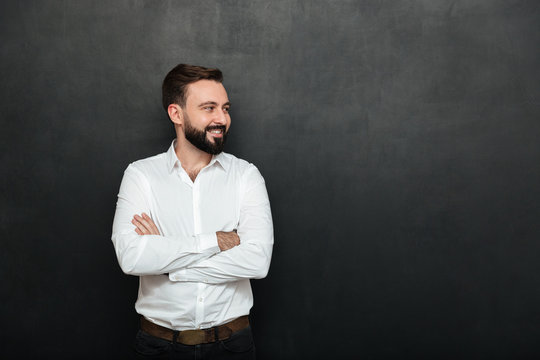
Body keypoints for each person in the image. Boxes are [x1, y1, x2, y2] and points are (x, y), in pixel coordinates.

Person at [111, 63, 273, 359]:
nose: (221, 118)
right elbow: (131, 257)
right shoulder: (141, 175)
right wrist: (215, 241)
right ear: (176, 114)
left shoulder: (246, 176)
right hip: (157, 347)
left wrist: (167, 261)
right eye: (208, 108)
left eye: (225, 108)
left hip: (232, 346)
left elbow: (258, 261)